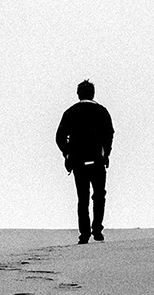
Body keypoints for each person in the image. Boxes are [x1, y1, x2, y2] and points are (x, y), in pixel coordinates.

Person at [55, 80, 114, 243]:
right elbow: (109, 134)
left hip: (78, 160)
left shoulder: (70, 112)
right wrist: (106, 153)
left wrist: (67, 153)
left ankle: (84, 234)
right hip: (97, 160)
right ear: (93, 93)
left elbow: (59, 137)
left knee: (83, 198)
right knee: (99, 195)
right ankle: (97, 230)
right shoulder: (101, 111)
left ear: (78, 94)